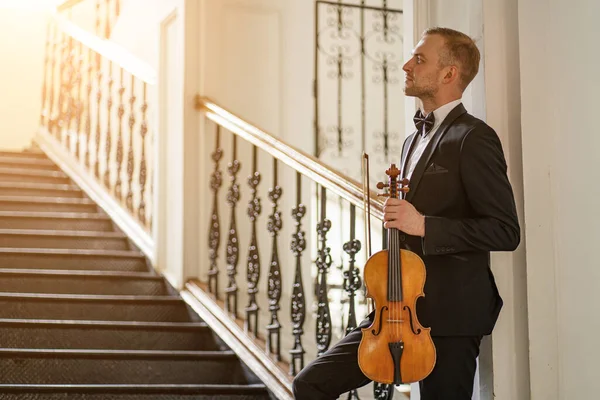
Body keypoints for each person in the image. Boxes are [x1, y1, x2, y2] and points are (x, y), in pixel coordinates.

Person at [292, 27, 520, 400]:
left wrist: (423, 224)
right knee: (310, 384)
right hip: (394, 309)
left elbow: (504, 231)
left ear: (449, 74)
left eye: (419, 59)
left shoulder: (473, 137)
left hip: (450, 314)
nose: (405, 65)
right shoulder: (412, 140)